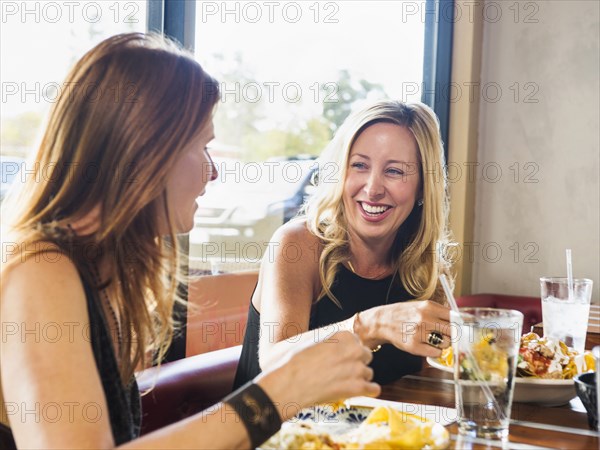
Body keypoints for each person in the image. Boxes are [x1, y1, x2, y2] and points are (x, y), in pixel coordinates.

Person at [0, 33, 381, 449]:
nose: (213, 171)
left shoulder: (94, 270)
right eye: (202, 146)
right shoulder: (40, 269)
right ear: (144, 152)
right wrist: (276, 394)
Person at [234, 100, 454, 389]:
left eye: (395, 171)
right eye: (359, 165)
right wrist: (371, 325)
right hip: (279, 431)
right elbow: (275, 359)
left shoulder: (428, 268)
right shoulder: (296, 244)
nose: (373, 189)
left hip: (375, 432)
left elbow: (433, 373)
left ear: (423, 186)